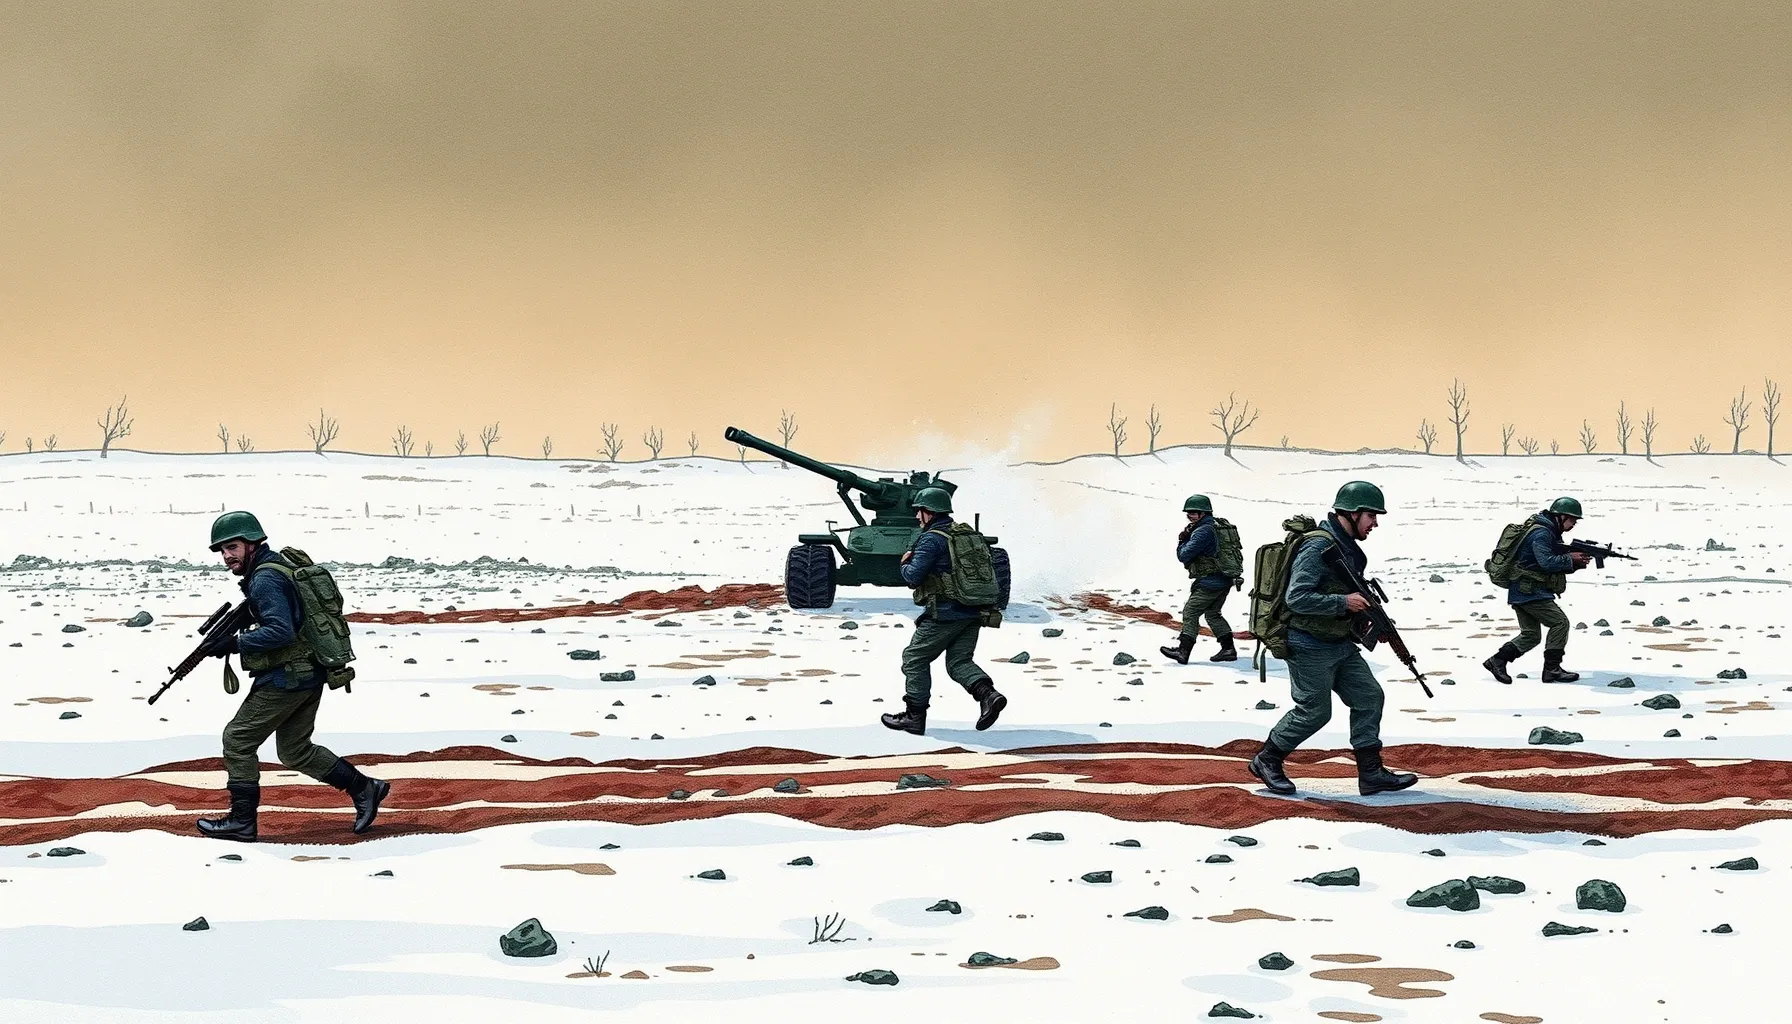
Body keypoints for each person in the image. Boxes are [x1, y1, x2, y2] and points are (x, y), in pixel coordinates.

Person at [195, 511, 389, 841]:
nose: (227, 556)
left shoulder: (265, 579)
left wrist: (236, 643)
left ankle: (241, 822)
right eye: (222, 550)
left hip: (287, 677)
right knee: (295, 750)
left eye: (233, 547)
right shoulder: (278, 566)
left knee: (238, 740)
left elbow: (280, 630)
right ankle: (364, 788)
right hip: (308, 672)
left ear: (252, 543)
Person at [1248, 481, 1418, 797]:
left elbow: (1346, 590)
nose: (1375, 523)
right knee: (1314, 711)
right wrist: (1344, 603)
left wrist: (1369, 620)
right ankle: (1267, 759)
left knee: (1369, 696)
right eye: (1371, 515)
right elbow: (1296, 598)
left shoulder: (1346, 548)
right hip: (1308, 644)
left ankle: (1371, 774)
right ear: (1352, 513)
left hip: (1339, 643)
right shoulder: (1317, 547)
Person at [880, 488, 1007, 736]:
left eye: (919, 511)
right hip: (974, 611)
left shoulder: (931, 539)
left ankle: (914, 717)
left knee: (914, 658)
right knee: (959, 662)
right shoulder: (965, 534)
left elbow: (913, 576)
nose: (917, 516)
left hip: (946, 613)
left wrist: (904, 564)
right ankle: (989, 696)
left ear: (929, 512)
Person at [1483, 497, 1589, 684]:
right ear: (1560, 516)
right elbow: (1546, 562)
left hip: (1523, 591)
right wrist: (1570, 559)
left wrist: (1575, 562)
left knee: (1531, 635)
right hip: (1530, 591)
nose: (1574, 524)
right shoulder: (1542, 534)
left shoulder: (1549, 532)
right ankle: (1552, 670)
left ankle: (1497, 661)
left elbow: (1542, 563)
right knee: (1560, 623)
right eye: (1572, 519)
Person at [1160, 494, 1238, 664]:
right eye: (1188, 512)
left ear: (1204, 513)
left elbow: (1183, 555)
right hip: (1224, 579)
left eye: (1194, 512)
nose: (1190, 515)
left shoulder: (1203, 531)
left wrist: (1182, 541)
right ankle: (1228, 649)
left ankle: (1183, 652)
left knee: (1190, 612)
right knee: (1213, 614)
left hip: (1209, 582)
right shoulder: (1216, 526)